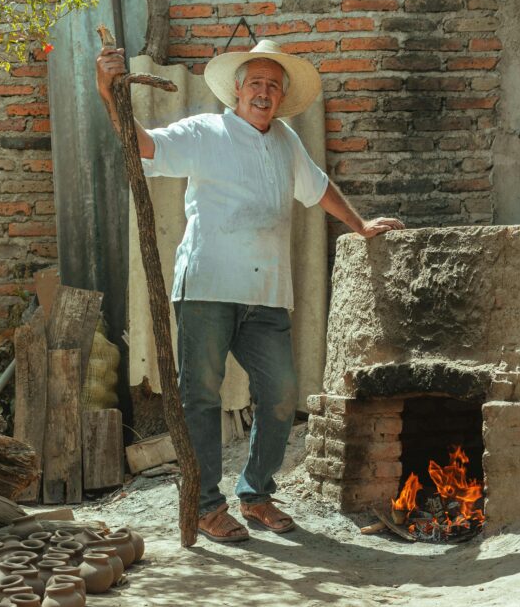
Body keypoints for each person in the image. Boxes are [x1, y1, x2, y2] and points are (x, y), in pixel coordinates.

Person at [96, 39, 404, 542]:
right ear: (237, 90)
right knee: (201, 398)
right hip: (208, 286)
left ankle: (256, 493)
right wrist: (110, 93)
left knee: (281, 394)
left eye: (273, 87)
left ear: (281, 98)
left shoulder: (284, 139)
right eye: (256, 84)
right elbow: (143, 145)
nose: (264, 93)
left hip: (267, 292)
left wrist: (359, 223)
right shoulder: (205, 131)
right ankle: (206, 504)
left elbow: (318, 186)